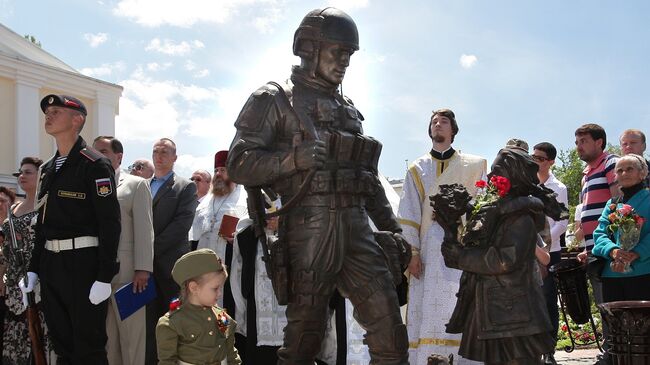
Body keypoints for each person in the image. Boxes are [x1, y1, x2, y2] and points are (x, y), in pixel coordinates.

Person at [227, 7, 409, 364]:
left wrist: (391, 229)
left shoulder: (348, 108)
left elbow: (367, 179)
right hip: (310, 230)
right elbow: (238, 162)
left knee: (390, 332)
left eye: (349, 55)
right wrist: (292, 160)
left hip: (357, 229)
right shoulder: (273, 99)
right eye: (337, 52)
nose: (344, 62)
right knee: (304, 340)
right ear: (308, 47)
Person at [440, 146, 565, 365]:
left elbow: (505, 260)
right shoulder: (495, 212)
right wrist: (451, 226)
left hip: (514, 312)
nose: (490, 176)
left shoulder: (521, 217)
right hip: (493, 308)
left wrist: (461, 257)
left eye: (497, 170)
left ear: (514, 177)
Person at [20, 94, 121, 364]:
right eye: (47, 112)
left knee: (88, 346)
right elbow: (43, 222)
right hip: (53, 265)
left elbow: (110, 222)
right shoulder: (49, 168)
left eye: (56, 111)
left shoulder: (95, 164)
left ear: (77, 120)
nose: (48, 116)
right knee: (62, 344)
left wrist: (104, 275)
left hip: (84, 264)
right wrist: (33, 267)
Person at [398, 109, 486, 364]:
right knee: (429, 311)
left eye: (444, 121)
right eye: (434, 122)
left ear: (453, 130)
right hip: (427, 252)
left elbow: (481, 207)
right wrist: (412, 253)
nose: (438, 125)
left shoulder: (474, 165)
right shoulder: (417, 168)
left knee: (461, 304)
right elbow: (409, 213)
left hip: (462, 249)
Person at [92, 136, 154, 365]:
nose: (98, 155)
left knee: (132, 340)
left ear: (119, 157)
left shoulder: (136, 185)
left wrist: (143, 269)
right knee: (108, 339)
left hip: (130, 276)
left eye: (103, 151)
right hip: (98, 275)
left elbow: (145, 229)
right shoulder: (90, 185)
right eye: (95, 151)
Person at [145, 138, 197, 365]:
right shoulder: (141, 185)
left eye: (165, 152)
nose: (159, 156)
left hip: (170, 267)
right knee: (147, 324)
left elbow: (181, 225)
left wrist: (148, 250)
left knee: (172, 321)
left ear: (175, 157)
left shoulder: (185, 186)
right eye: (156, 151)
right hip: (143, 269)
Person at [1, 157, 53, 365]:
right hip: (15, 283)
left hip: (40, 281)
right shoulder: (13, 209)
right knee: (18, 336)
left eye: (28, 172)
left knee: (40, 336)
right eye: (20, 172)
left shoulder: (47, 206)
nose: (22, 176)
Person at [156, 248, 241, 365]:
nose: (220, 293)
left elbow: (231, 353)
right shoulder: (173, 323)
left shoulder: (221, 316)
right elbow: (167, 361)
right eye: (215, 288)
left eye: (220, 288)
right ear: (193, 287)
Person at [190, 151, 247, 314]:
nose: (218, 174)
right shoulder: (206, 200)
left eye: (223, 170)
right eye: (216, 170)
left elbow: (250, 228)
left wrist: (237, 238)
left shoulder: (244, 198)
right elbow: (194, 231)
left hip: (230, 259)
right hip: (205, 261)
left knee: (227, 304)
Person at [592, 154, 650, 302]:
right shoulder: (612, 204)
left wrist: (636, 253)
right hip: (612, 274)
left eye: (630, 169)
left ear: (642, 173)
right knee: (615, 324)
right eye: (620, 170)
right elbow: (599, 234)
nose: (624, 173)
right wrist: (613, 251)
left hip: (644, 272)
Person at [531, 142, 568, 365]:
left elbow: (562, 222)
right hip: (526, 252)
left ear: (551, 161)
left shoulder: (559, 188)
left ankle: (549, 350)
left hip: (550, 252)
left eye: (540, 158)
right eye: (533, 157)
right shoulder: (525, 184)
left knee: (547, 301)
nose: (535, 161)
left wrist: (542, 244)